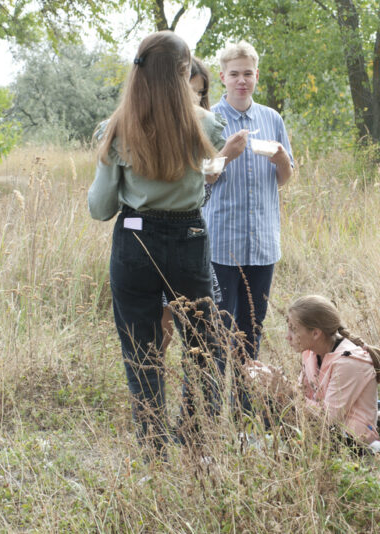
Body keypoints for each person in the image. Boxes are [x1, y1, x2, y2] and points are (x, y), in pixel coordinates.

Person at [88, 31, 227, 456]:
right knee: (204, 346)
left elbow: (100, 208)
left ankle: (154, 450)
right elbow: (214, 162)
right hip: (188, 238)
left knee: (141, 349)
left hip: (134, 240)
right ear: (184, 73)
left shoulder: (118, 126)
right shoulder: (204, 123)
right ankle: (197, 439)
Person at [203, 40, 294, 364]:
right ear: (223, 77)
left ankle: (243, 404)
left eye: (247, 74)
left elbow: (284, 178)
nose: (242, 80)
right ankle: (213, 407)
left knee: (252, 329)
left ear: (257, 76)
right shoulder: (209, 120)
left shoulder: (272, 119)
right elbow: (200, 180)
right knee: (218, 329)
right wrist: (226, 155)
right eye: (234, 74)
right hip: (222, 245)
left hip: (263, 245)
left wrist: (282, 158)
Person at [159, 57, 246, 356]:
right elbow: (201, 177)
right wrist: (227, 154)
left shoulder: (205, 128)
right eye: (189, 90)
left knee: (199, 331)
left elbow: (205, 180)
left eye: (200, 92)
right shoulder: (164, 130)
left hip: (194, 237)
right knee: (163, 322)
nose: (194, 99)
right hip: (161, 237)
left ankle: (193, 395)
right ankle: (152, 384)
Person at [286, 295, 380, 449]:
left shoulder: (348, 362)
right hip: (325, 427)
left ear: (316, 333)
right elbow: (303, 396)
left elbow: (327, 418)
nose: (288, 337)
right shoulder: (310, 352)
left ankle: (375, 446)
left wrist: (288, 392)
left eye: (293, 330)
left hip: (350, 437)